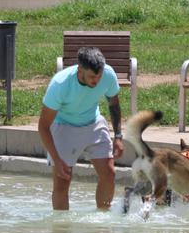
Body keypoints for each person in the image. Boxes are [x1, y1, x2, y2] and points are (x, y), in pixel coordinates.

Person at [37, 47, 124, 210]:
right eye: (92, 76)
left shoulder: (108, 74)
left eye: (99, 76)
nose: (96, 81)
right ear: (80, 70)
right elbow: (43, 127)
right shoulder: (60, 84)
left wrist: (118, 135)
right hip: (64, 126)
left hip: (94, 122)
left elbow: (114, 103)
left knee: (109, 173)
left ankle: (103, 220)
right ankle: (61, 231)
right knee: (62, 181)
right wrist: (56, 159)